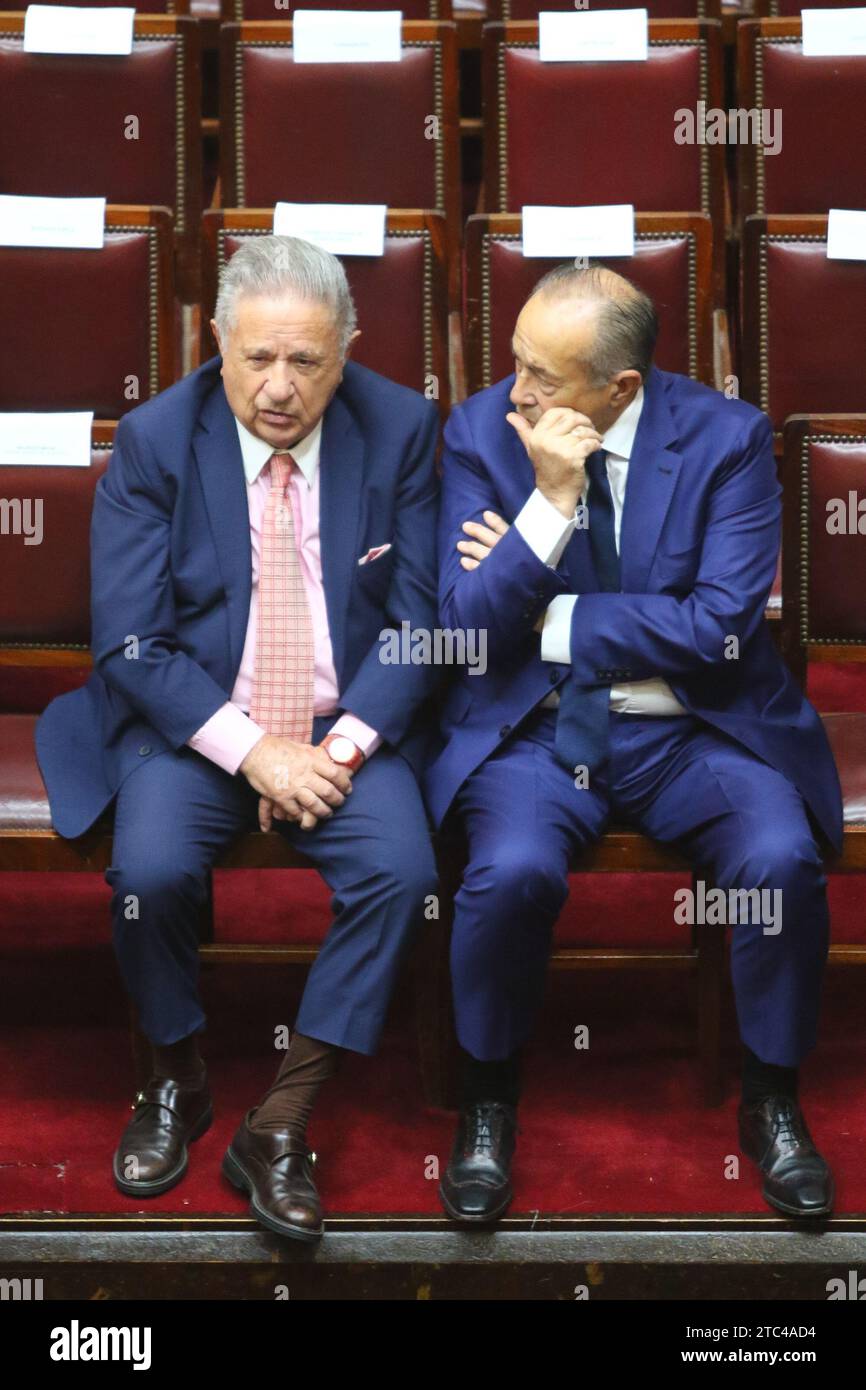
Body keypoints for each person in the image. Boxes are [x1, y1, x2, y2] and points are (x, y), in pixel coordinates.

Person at [35, 235, 440, 1242]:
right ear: (215, 339)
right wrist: (255, 751)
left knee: (401, 869)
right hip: (198, 724)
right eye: (254, 356)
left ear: (347, 350)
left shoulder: (400, 429)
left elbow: (425, 621)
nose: (276, 386)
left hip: (344, 726)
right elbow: (130, 639)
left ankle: (280, 1120)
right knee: (150, 872)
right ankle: (174, 1075)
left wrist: (333, 750)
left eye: (305, 360)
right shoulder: (156, 438)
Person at [424, 263, 843, 1223]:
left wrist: (550, 608)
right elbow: (469, 626)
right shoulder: (483, 432)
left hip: (693, 728)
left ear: (620, 389)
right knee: (509, 874)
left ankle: (772, 1097)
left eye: (543, 375)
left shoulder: (728, 439)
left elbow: (719, 628)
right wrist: (548, 500)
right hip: (536, 729)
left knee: (779, 860)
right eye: (516, 360)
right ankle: (488, 1100)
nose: (516, 390)